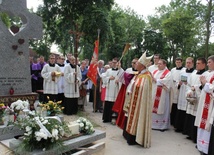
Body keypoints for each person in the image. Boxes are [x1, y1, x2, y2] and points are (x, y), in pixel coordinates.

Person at [125, 52, 153, 147]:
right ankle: (131, 137)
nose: (135, 64)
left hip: (140, 104)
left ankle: (137, 138)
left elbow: (142, 90)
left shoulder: (146, 76)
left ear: (142, 66)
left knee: (138, 118)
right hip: (134, 102)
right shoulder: (139, 74)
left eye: (137, 63)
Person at [185, 58, 208, 143]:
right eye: (197, 63)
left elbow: (204, 86)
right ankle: (190, 134)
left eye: (199, 63)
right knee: (190, 116)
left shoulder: (206, 74)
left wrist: (195, 89)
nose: (197, 64)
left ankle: (195, 136)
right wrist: (189, 92)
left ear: (203, 65)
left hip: (199, 99)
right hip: (192, 98)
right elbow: (189, 85)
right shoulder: (193, 73)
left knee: (196, 116)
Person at [195, 55, 214, 155]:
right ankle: (201, 145)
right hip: (204, 103)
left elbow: (211, 88)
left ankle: (205, 147)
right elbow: (205, 86)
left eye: (209, 62)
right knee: (202, 124)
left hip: (210, 105)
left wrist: (205, 83)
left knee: (207, 126)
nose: (207, 64)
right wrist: (202, 84)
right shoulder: (209, 73)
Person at [112, 58, 138, 129]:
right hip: (128, 93)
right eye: (132, 62)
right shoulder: (128, 70)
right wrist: (120, 68)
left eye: (135, 63)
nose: (133, 64)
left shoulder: (140, 72)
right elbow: (122, 77)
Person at [174, 57, 195, 133]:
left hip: (189, 93)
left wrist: (187, 84)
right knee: (180, 110)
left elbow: (194, 84)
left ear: (192, 63)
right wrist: (178, 84)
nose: (188, 64)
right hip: (182, 92)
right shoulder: (182, 72)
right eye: (187, 62)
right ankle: (178, 127)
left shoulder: (194, 73)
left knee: (187, 110)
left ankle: (185, 129)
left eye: (189, 63)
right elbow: (177, 82)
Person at [151, 59, 172, 131]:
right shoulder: (155, 71)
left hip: (162, 94)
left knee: (161, 108)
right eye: (158, 64)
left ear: (164, 65)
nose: (158, 65)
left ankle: (162, 126)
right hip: (154, 92)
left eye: (160, 64)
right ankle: (152, 124)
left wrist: (156, 80)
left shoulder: (168, 73)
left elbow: (168, 82)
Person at [102, 58, 124, 123]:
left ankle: (114, 119)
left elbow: (123, 78)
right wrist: (109, 78)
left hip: (116, 90)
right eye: (113, 62)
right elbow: (103, 77)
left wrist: (119, 81)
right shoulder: (108, 70)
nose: (114, 64)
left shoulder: (121, 71)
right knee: (108, 104)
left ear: (118, 63)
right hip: (109, 91)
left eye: (115, 62)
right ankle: (106, 118)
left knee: (114, 104)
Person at [170, 57, 185, 126]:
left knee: (178, 105)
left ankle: (176, 121)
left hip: (180, 89)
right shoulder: (172, 70)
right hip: (173, 88)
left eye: (179, 62)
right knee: (172, 104)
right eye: (177, 62)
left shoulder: (184, 70)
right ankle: (171, 120)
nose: (178, 63)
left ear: (182, 62)